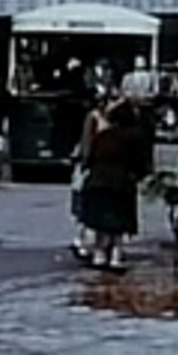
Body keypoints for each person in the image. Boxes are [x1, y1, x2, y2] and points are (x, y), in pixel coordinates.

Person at [79, 99, 150, 269]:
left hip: (97, 182)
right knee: (119, 224)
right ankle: (116, 256)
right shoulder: (135, 136)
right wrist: (140, 175)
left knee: (100, 223)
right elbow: (141, 162)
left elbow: (89, 158)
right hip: (122, 183)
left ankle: (100, 254)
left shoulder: (103, 136)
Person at [70, 92, 110, 259]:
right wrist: (86, 163)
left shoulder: (111, 120)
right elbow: (87, 142)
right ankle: (85, 242)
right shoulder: (94, 118)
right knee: (86, 206)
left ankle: (92, 243)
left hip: (101, 169)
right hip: (93, 168)